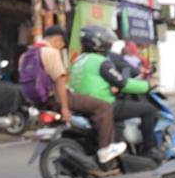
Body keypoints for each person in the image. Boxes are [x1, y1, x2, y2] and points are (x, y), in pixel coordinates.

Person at [20, 25, 123, 164]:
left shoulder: (26, 54)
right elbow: (60, 81)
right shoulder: (51, 52)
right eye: (62, 46)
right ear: (58, 40)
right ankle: (105, 149)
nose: (61, 49)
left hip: (39, 102)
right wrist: (64, 107)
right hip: (56, 98)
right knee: (103, 107)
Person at [68, 25, 158, 159]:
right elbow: (122, 83)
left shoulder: (79, 60)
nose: (109, 44)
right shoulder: (101, 62)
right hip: (103, 102)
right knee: (149, 110)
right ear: (98, 43)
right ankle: (148, 150)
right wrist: (147, 86)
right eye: (107, 41)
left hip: (84, 102)